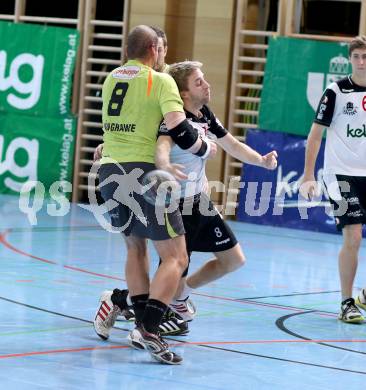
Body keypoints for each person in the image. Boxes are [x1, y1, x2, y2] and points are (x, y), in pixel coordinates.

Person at [95, 60, 278, 343]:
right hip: (175, 204)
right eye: (199, 82)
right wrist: (163, 165)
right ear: (183, 95)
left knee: (233, 260)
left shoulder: (204, 115)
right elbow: (160, 147)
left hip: (200, 201)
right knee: (168, 274)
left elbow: (231, 144)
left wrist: (261, 161)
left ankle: (178, 297)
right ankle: (127, 306)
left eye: (204, 79)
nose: (207, 85)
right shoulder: (172, 121)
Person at [93, 25, 215, 365]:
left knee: (135, 248)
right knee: (177, 256)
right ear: (152, 48)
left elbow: (121, 124)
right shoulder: (160, 81)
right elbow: (178, 127)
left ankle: (139, 321)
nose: (163, 53)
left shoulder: (111, 77)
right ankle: (149, 328)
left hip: (110, 171)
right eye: (161, 47)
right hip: (145, 173)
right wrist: (205, 147)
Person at [300, 35, 366, 323]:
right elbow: (315, 135)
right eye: (357, 57)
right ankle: (347, 302)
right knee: (353, 234)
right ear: (350, 59)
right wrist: (308, 175)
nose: (362, 62)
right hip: (340, 174)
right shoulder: (336, 92)